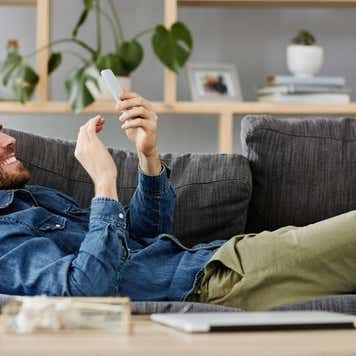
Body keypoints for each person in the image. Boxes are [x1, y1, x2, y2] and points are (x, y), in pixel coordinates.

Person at [0, 91, 356, 311]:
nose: (9, 140)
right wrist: (104, 183)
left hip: (217, 265)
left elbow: (144, 239)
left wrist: (148, 157)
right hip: (217, 282)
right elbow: (85, 293)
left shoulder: (28, 200)